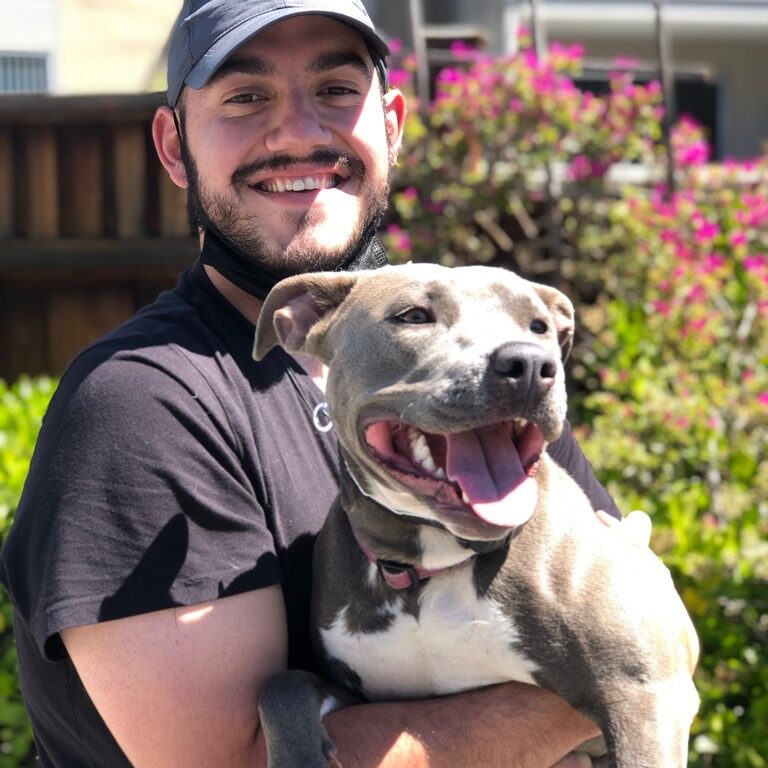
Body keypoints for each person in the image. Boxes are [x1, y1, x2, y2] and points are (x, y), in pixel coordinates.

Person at [0, 2, 623, 766]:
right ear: (173, 147)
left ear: (391, 125)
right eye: (245, 96)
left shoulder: (473, 363)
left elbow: (630, 616)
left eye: (335, 89)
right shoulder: (145, 405)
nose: (298, 132)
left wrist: (627, 664)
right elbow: (235, 763)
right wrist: (595, 691)